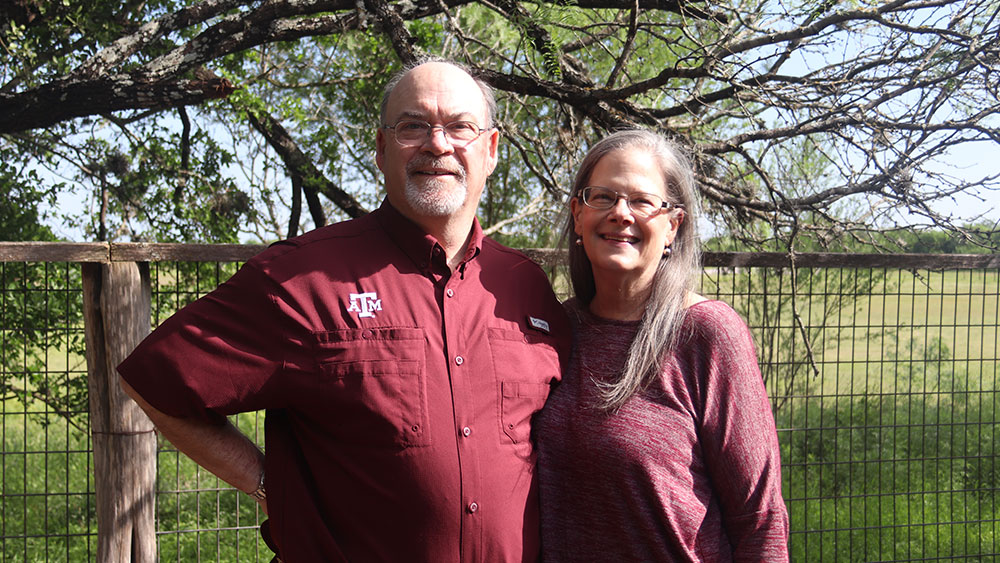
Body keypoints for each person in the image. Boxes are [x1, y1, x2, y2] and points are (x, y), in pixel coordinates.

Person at [117, 59, 570, 562]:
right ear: (380, 149)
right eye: (412, 126)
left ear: (490, 149)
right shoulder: (303, 278)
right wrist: (272, 486)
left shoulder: (526, 287)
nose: (437, 144)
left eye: (460, 127)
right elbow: (155, 380)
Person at [536, 130, 788, 561]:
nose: (620, 213)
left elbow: (760, 521)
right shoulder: (553, 330)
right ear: (578, 214)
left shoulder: (707, 333)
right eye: (604, 197)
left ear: (672, 225)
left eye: (641, 201)